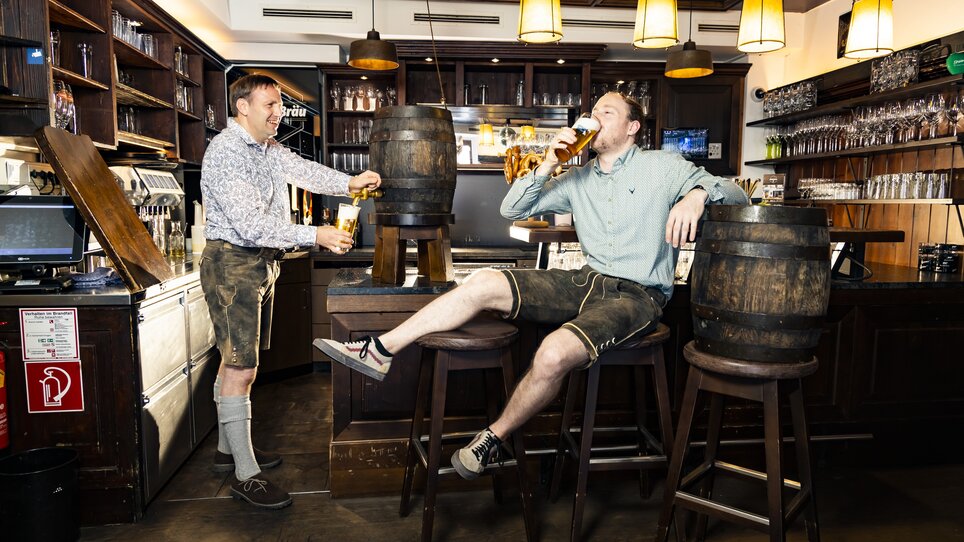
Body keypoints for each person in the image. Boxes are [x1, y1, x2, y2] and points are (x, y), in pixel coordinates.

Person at [315, 91, 747, 480]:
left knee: (555, 351)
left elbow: (736, 195)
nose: (593, 119)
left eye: (606, 112)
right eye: (592, 112)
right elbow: (512, 207)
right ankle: (380, 349)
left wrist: (696, 195)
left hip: (638, 293)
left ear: (632, 127)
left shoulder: (664, 167)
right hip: (585, 281)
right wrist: (549, 162)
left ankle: (493, 437)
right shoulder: (577, 178)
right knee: (483, 282)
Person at [200, 74, 381, 508]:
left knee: (238, 363)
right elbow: (250, 225)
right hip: (233, 263)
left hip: (258, 264)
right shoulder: (226, 152)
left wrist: (350, 182)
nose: (277, 112)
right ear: (242, 107)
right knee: (241, 368)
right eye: (269, 105)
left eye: (278, 105)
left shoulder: (266, 149)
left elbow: (304, 170)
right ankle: (247, 475)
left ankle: (230, 451)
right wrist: (314, 234)